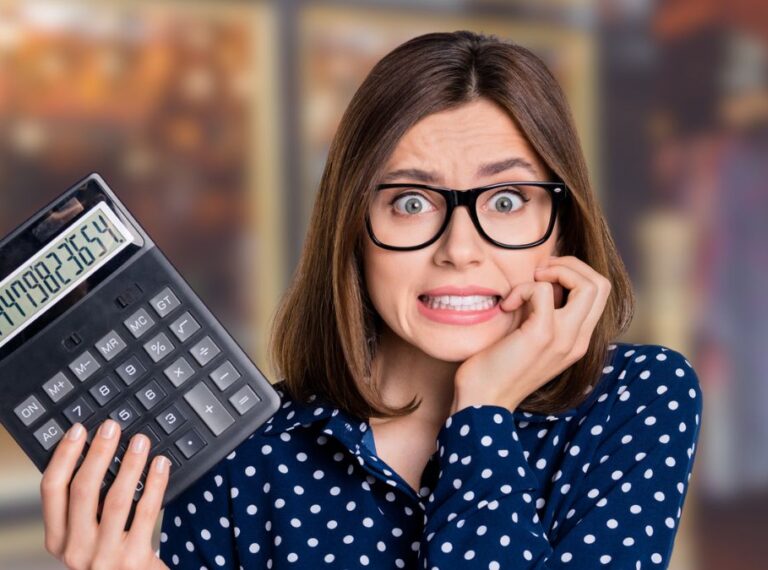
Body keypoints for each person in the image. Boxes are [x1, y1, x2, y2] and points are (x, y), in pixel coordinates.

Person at [40, 30, 703, 569]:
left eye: (506, 200)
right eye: (411, 202)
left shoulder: (637, 398)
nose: (460, 249)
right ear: (353, 229)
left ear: (561, 223)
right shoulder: (243, 456)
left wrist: (482, 408)